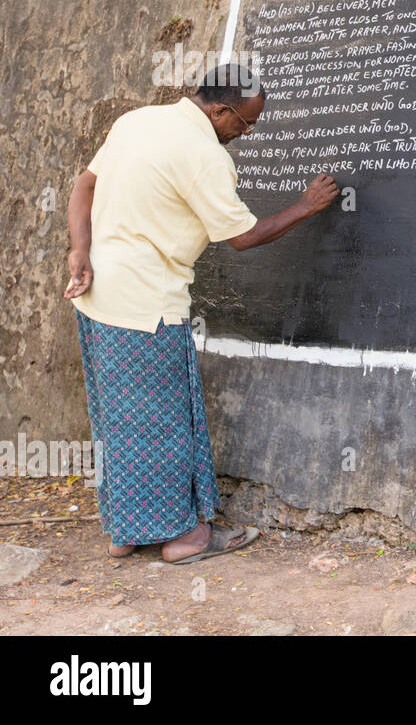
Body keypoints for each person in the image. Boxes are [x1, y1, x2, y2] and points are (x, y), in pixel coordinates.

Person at [63, 64, 339, 563]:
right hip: (148, 306)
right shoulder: (204, 157)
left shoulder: (135, 121)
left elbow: (84, 186)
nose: (247, 133)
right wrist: (306, 206)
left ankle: (127, 530)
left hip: (96, 296)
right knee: (167, 424)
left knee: (118, 421)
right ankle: (184, 538)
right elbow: (243, 236)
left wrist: (78, 250)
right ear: (218, 110)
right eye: (245, 123)